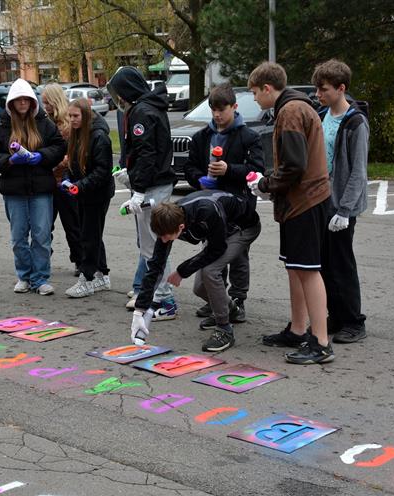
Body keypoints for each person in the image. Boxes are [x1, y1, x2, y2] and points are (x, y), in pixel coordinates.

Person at [246, 61, 334, 364]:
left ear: (268, 88)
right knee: (295, 267)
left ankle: (320, 341)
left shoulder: (291, 112)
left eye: (256, 93)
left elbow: (294, 165)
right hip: (301, 201)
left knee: (308, 271)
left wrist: (265, 184)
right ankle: (298, 330)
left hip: (305, 201)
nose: (255, 99)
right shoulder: (295, 107)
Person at [129, 191, 253, 352]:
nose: (164, 241)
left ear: (181, 227)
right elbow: (155, 266)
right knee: (200, 288)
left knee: (210, 271)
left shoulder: (206, 211)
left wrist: (182, 271)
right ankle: (231, 310)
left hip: (241, 228)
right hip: (218, 230)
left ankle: (225, 328)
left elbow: (217, 249)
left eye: (166, 237)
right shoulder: (166, 222)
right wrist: (139, 311)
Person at [184, 83, 264, 324]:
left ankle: (237, 299)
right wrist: (199, 180)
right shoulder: (202, 137)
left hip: (238, 208)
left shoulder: (248, 136)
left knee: (237, 256)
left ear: (234, 107)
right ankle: (217, 301)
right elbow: (189, 167)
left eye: (222, 109)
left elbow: (257, 171)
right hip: (210, 208)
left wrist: (229, 170)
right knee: (213, 252)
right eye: (213, 109)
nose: (217, 115)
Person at [0, 78, 66, 295]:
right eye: (18, 100)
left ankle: (40, 278)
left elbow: (59, 146)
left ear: (31, 101)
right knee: (19, 236)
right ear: (11, 103)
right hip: (14, 190)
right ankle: (24, 276)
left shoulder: (44, 123)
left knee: (41, 234)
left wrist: (42, 156)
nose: (22, 104)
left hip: (41, 189)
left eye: (25, 100)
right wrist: (8, 161)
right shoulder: (2, 127)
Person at [106, 66, 177, 318]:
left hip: (153, 187)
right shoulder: (149, 107)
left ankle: (165, 298)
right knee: (153, 244)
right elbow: (145, 153)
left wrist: (139, 188)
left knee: (154, 245)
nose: (119, 100)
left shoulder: (142, 111)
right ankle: (157, 294)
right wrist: (130, 174)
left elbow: (147, 153)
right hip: (155, 184)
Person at [312, 59, 369, 343]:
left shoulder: (355, 122)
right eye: (317, 89)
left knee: (342, 263)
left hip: (342, 207)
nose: (318, 94)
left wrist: (345, 210)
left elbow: (358, 171)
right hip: (323, 201)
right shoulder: (324, 115)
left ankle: (354, 322)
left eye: (323, 89)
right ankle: (335, 315)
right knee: (325, 263)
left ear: (341, 88)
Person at [62, 98, 115, 297]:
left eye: (76, 116)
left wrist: (79, 185)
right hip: (83, 192)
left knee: (89, 236)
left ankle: (88, 277)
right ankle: (102, 275)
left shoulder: (99, 137)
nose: (72, 120)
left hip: (96, 194)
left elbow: (103, 171)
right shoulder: (76, 135)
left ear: (86, 115)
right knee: (92, 234)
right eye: (70, 116)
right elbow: (72, 164)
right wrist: (69, 181)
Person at [41, 83, 84, 275]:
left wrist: (53, 163)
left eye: (47, 103)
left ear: (55, 101)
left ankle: (80, 260)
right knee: (44, 225)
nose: (45, 107)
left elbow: (72, 155)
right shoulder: (44, 122)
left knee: (72, 224)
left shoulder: (68, 124)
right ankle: (42, 258)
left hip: (65, 181)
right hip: (49, 181)